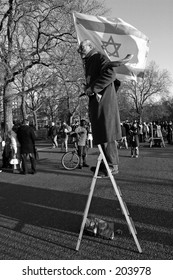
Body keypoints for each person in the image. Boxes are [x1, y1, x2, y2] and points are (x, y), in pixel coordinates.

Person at [77, 39, 122, 176]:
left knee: (107, 132)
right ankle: (104, 163)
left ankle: (112, 165)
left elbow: (111, 75)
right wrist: (87, 88)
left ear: (90, 46)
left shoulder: (99, 57)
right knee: (101, 133)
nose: (80, 51)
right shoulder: (90, 60)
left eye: (82, 48)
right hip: (97, 101)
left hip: (103, 102)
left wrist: (93, 88)